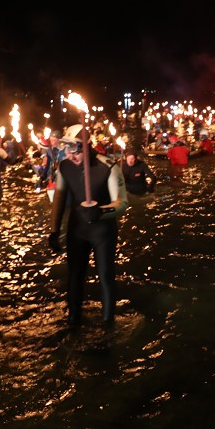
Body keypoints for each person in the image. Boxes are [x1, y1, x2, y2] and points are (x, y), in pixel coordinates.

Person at [45, 124, 128, 326]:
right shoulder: (65, 166)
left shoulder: (108, 167)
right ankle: (73, 320)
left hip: (102, 231)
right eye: (67, 149)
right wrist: (54, 230)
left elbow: (122, 202)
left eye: (75, 150)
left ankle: (108, 324)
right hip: (77, 229)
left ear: (86, 146)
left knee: (105, 275)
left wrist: (101, 211)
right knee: (74, 274)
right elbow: (59, 197)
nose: (71, 156)